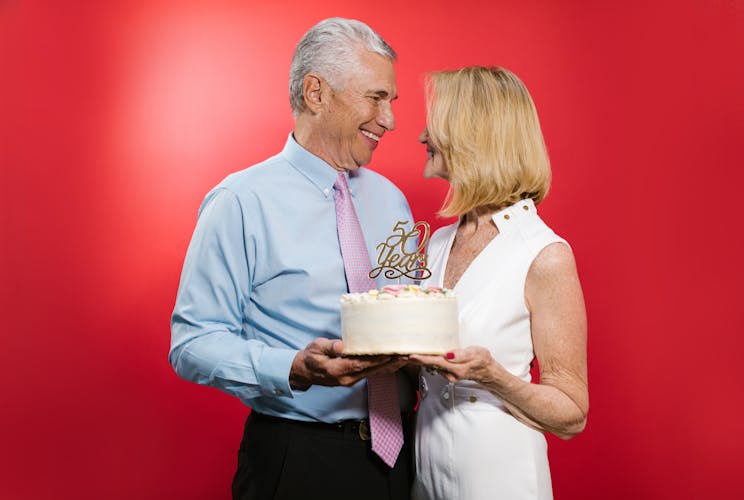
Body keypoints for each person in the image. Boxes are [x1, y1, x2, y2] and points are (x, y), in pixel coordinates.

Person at [170, 18, 415, 500]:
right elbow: (192, 341)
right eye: (376, 98)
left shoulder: (392, 200)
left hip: (400, 460)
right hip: (298, 460)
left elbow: (410, 313)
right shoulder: (241, 201)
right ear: (317, 93)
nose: (389, 120)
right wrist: (291, 367)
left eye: (392, 101)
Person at [409, 66, 589, 500]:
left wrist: (494, 376)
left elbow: (572, 413)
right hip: (424, 473)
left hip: (500, 479)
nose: (421, 136)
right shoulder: (438, 242)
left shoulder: (544, 254)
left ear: (475, 134)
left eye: (438, 122)